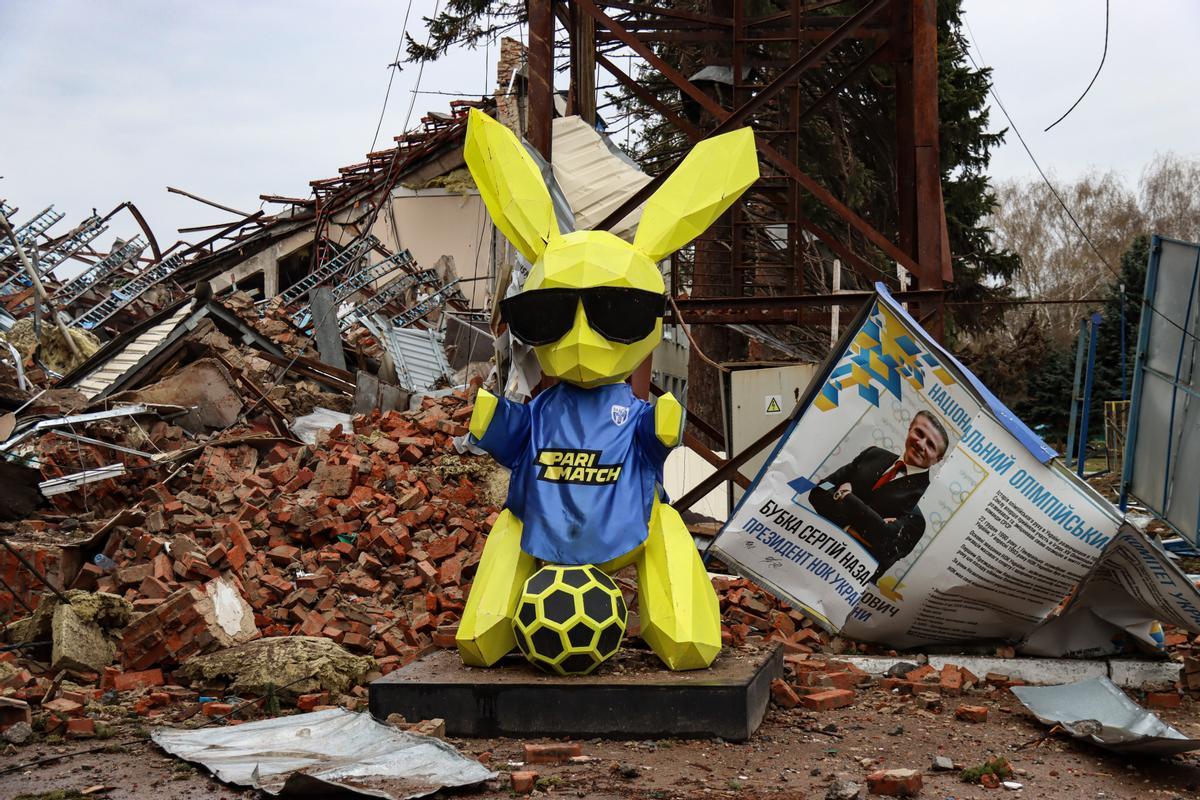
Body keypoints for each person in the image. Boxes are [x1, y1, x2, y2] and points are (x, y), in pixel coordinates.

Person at [808, 410, 949, 583]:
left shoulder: (922, 502)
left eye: (931, 445)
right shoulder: (873, 455)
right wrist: (865, 528)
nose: (921, 443)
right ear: (910, 428)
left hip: (843, 582)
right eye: (919, 433)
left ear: (938, 459)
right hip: (811, 547)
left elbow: (885, 545)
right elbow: (822, 487)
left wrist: (845, 496)